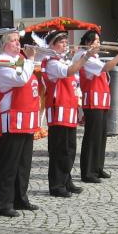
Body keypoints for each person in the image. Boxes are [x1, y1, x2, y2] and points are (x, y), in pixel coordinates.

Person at [0, 32, 39, 216]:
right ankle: (4, 203)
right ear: (4, 45)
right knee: (8, 164)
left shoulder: (19, 60)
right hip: (10, 120)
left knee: (23, 163)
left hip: (24, 119)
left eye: (18, 41)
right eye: (13, 41)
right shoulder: (3, 64)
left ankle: (20, 198)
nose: (18, 44)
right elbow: (21, 79)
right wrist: (31, 59)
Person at [42, 30, 94, 196]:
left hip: (68, 109)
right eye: (61, 42)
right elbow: (69, 71)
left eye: (66, 41)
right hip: (59, 111)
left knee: (70, 149)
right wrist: (85, 56)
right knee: (60, 150)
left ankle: (66, 180)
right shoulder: (52, 63)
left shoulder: (62, 60)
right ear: (52, 45)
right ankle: (57, 185)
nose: (65, 44)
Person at [77, 30, 118, 182]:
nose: (99, 43)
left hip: (101, 100)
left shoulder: (94, 57)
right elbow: (106, 68)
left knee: (101, 136)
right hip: (93, 100)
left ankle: (97, 167)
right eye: (96, 41)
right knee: (92, 137)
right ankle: (88, 172)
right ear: (87, 43)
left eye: (98, 40)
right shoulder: (85, 57)